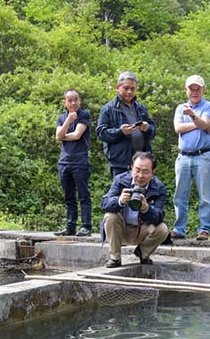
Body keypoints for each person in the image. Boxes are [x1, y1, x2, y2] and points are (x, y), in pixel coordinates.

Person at [101, 151, 169, 267]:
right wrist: (119, 201)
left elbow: (159, 216)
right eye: (137, 170)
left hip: (142, 229)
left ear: (153, 172)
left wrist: (146, 209)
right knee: (110, 217)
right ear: (131, 168)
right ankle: (115, 257)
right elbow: (104, 204)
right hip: (122, 229)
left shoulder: (159, 187)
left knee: (163, 229)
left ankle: (143, 253)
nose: (140, 176)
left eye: (145, 172)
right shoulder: (120, 180)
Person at [172, 75, 210, 241]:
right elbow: (178, 128)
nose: (195, 92)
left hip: (203, 156)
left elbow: (206, 124)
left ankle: (204, 229)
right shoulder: (180, 108)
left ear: (203, 89)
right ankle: (179, 228)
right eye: (191, 88)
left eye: (198, 88)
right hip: (183, 157)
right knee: (180, 195)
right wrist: (198, 122)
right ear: (186, 90)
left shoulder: (209, 106)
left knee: (205, 196)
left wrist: (193, 117)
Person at [96, 71, 155, 177]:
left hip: (142, 161)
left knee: (143, 192)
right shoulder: (108, 109)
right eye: (126, 88)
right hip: (120, 162)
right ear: (117, 87)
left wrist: (147, 128)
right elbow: (101, 133)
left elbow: (153, 131)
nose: (129, 92)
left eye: (133, 89)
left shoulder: (141, 108)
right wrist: (120, 131)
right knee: (122, 192)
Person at [54, 89, 93, 237]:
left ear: (79, 100)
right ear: (64, 102)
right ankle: (70, 226)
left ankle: (86, 226)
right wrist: (68, 121)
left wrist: (63, 135)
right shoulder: (61, 118)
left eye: (76, 99)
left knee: (83, 195)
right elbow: (58, 136)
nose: (73, 103)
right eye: (69, 100)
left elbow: (77, 135)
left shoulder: (84, 115)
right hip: (64, 162)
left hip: (80, 161)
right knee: (68, 196)